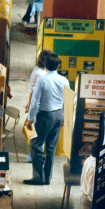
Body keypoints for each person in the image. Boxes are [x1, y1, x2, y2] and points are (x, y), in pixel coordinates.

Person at [26, 54, 68, 185]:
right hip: (59, 115)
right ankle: (47, 178)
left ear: (45, 65)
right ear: (59, 65)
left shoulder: (42, 80)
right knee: (51, 147)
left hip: (46, 116)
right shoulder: (64, 80)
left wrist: (30, 119)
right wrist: (64, 117)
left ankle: (38, 177)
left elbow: (35, 102)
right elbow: (67, 100)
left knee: (35, 144)